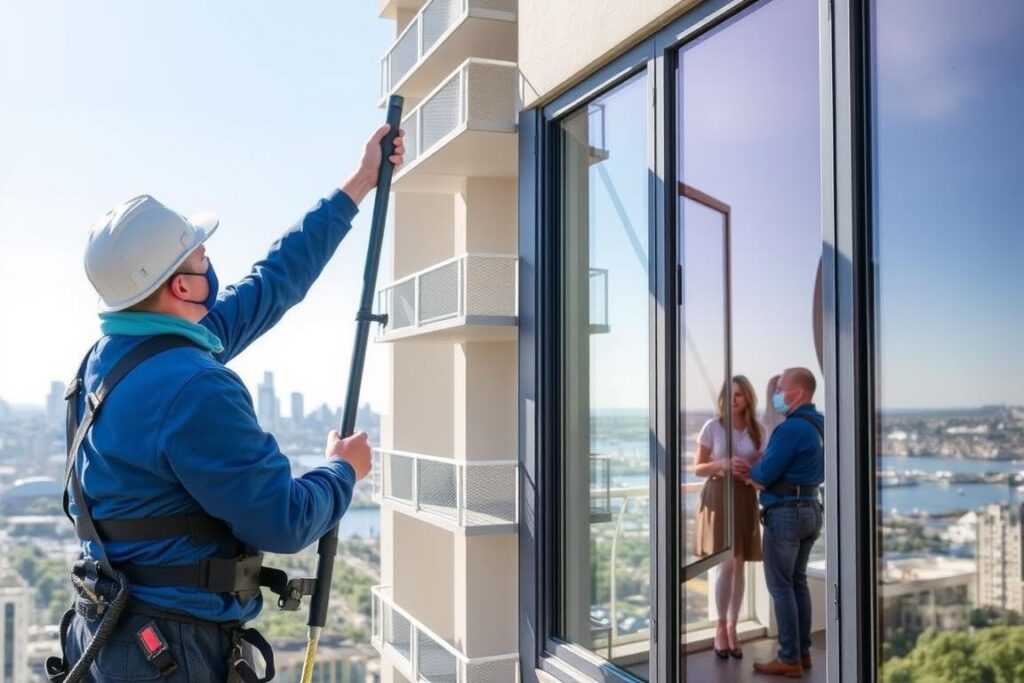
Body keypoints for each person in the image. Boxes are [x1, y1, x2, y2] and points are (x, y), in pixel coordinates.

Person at [52, 125, 404, 682]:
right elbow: (283, 521)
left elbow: (271, 284)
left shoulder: (108, 362)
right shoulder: (192, 386)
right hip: (174, 651)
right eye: (200, 256)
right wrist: (343, 471)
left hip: (111, 635)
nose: (209, 263)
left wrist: (356, 185)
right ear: (181, 287)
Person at [733, 367, 824, 677]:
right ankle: (802, 652)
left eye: (781, 388)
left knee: (781, 586)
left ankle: (788, 658)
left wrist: (750, 471)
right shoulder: (820, 425)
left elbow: (764, 475)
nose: (776, 393)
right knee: (797, 582)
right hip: (812, 508)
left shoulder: (791, 429)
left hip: (786, 513)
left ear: (796, 393)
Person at [693, 375, 765, 660]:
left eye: (739, 394)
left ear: (747, 397)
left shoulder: (759, 429)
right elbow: (697, 468)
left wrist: (751, 472)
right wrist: (721, 463)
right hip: (718, 496)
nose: (733, 399)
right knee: (727, 566)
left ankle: (733, 626)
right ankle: (720, 627)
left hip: (745, 496)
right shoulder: (712, 427)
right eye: (729, 394)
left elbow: (764, 465)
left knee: (740, 565)